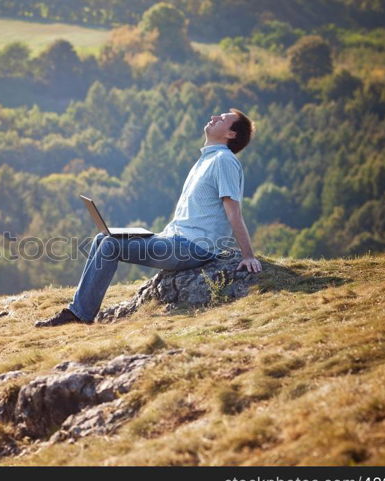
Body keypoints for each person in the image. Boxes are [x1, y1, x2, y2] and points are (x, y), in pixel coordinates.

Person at [35, 108, 262, 327]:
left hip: (193, 247)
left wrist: (248, 255)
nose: (214, 117)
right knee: (101, 239)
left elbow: (234, 211)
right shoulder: (206, 160)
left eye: (222, 119)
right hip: (175, 238)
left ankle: (80, 314)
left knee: (110, 245)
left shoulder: (224, 161)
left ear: (230, 134)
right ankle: (78, 309)